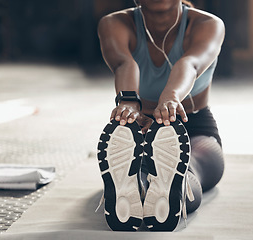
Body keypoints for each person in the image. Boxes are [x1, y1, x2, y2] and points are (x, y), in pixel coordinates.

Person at [96, 0, 225, 232]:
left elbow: (191, 64)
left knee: (189, 165)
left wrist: (171, 98)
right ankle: (135, 186)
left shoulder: (208, 24)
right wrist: (128, 103)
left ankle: (166, 187)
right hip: (139, 128)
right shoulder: (114, 23)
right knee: (142, 169)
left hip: (193, 126)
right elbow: (124, 63)